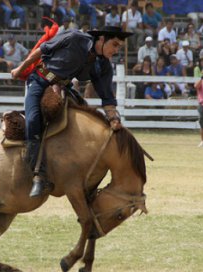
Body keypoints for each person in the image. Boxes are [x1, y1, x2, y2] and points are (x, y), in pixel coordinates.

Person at [11, 26, 133, 198]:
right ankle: (37, 174)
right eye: (114, 44)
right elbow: (42, 49)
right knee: (33, 120)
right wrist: (20, 69)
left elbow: (107, 96)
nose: (116, 50)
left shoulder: (103, 65)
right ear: (101, 39)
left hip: (63, 86)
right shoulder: (74, 37)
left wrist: (114, 119)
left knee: (84, 117)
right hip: (39, 80)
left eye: (119, 47)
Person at [194, 71, 203, 147]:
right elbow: (196, 86)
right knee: (202, 124)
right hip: (202, 105)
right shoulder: (201, 81)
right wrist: (202, 78)